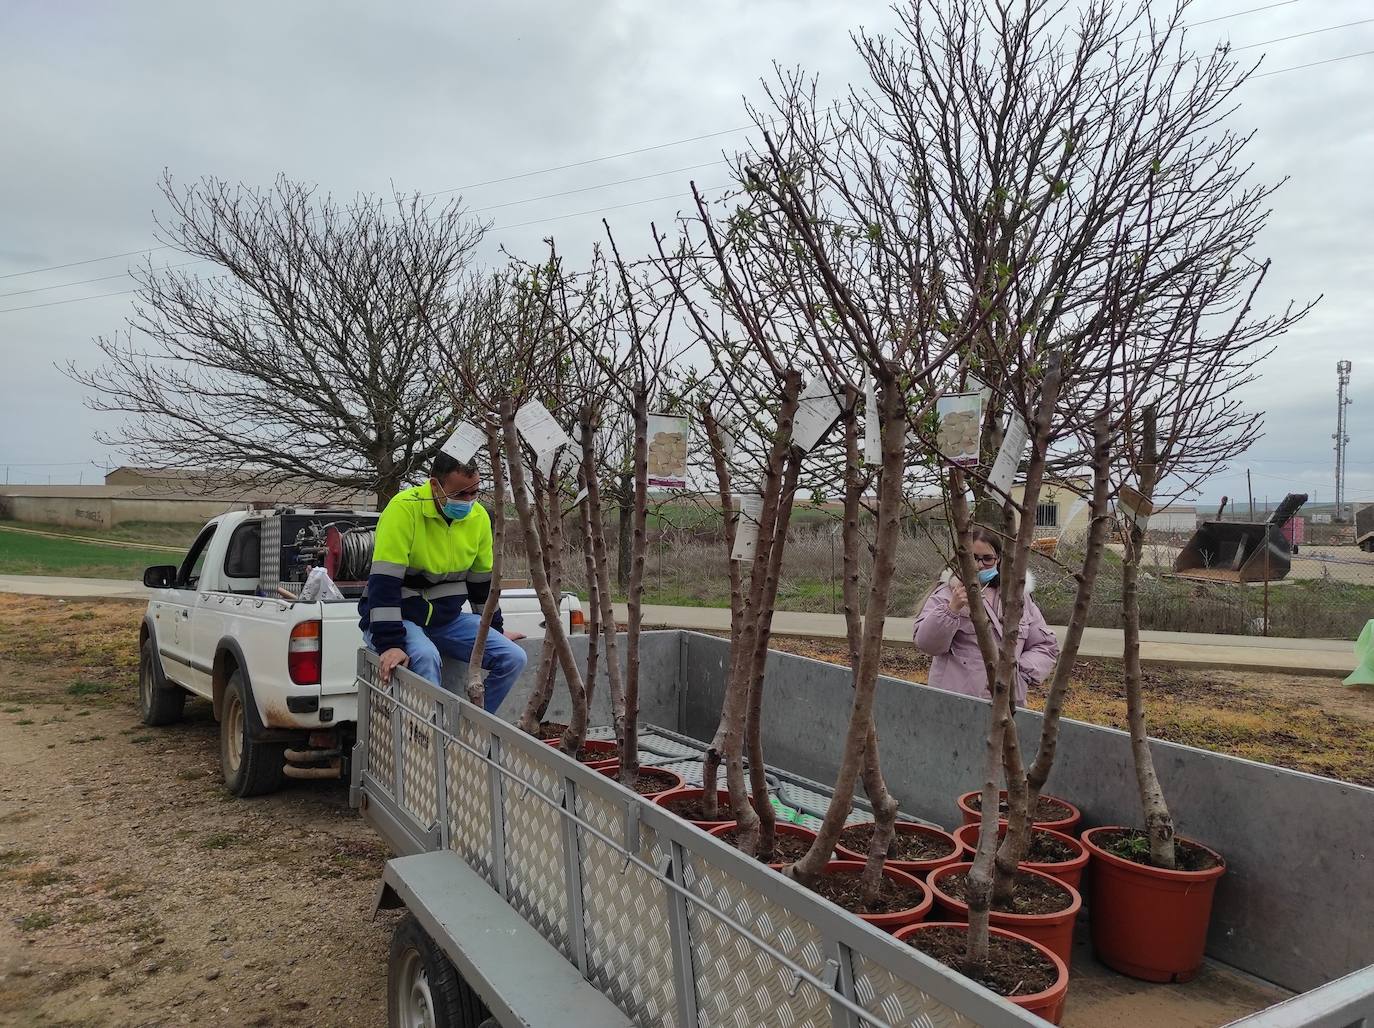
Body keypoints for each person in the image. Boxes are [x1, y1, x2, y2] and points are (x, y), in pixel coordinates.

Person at [359, 452, 528, 711]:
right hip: (400, 619)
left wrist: (494, 628)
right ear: (435, 485)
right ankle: (427, 744)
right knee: (426, 657)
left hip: (445, 621)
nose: (469, 502)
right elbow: (384, 583)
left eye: (474, 493)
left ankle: (472, 733)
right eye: (460, 494)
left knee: (514, 658)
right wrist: (390, 644)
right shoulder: (403, 509)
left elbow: (482, 584)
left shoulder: (479, 517)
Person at [913, 526, 1059, 702]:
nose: (979, 565)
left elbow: (1045, 645)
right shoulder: (946, 594)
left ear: (998, 559)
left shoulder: (1018, 597)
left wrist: (1019, 673)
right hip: (956, 701)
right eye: (972, 558)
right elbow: (927, 644)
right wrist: (952, 609)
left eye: (987, 559)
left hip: (1008, 703)